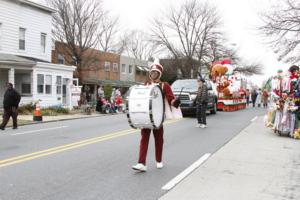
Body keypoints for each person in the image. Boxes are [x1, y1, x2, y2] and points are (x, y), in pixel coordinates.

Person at [132, 59, 180, 172]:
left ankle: (158, 160)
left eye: (155, 72)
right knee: (144, 138)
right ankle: (141, 163)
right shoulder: (146, 84)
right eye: (151, 72)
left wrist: (175, 102)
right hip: (147, 116)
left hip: (158, 117)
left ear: (159, 74)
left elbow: (170, 98)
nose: (153, 74)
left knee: (159, 139)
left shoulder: (164, 85)